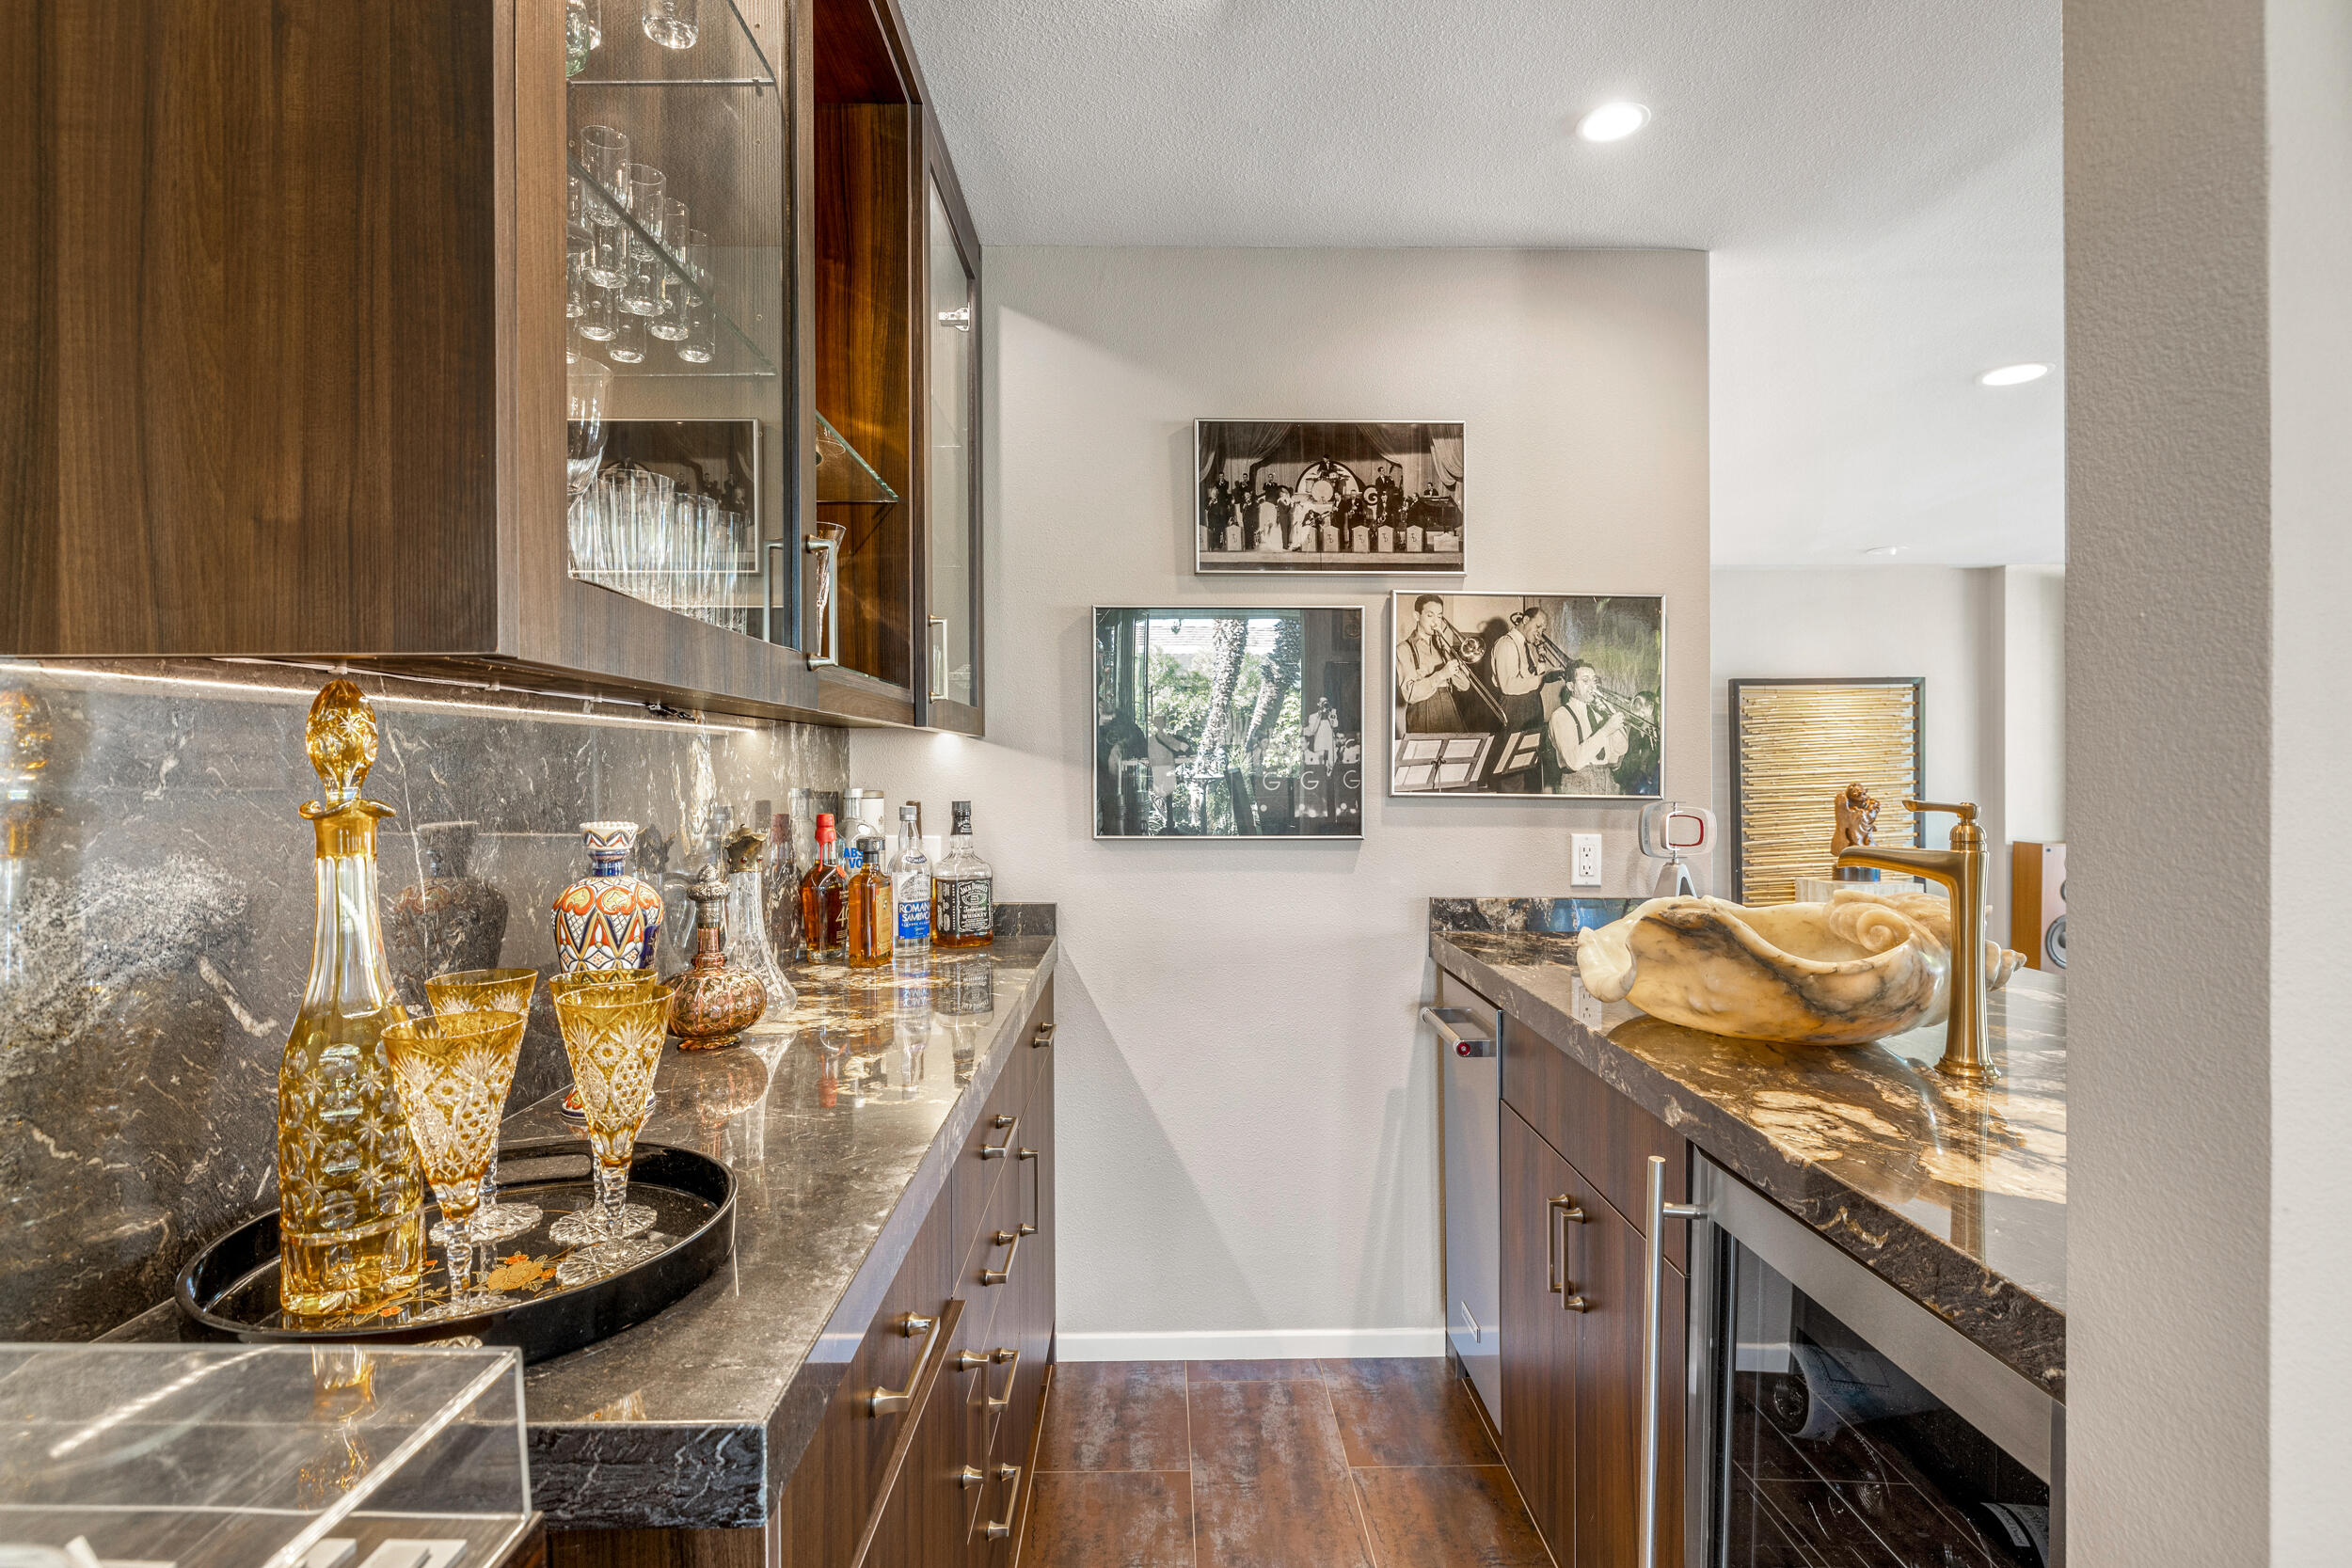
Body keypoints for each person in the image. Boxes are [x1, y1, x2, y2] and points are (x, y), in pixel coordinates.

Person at [1547, 659, 1629, 795]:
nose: (1592, 686)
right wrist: (1605, 731)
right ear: (1571, 686)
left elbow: (1621, 749)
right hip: (1576, 783)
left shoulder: (1600, 712)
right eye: (1585, 681)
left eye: (1594, 680)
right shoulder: (1561, 716)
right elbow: (1574, 761)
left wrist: (1611, 714)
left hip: (1606, 778)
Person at [1397, 594, 1473, 734]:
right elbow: (1409, 694)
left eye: (1439, 616)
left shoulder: (1442, 646)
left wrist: (1447, 650)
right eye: (1430, 615)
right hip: (1422, 711)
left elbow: (1464, 685)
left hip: (1449, 706)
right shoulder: (1404, 648)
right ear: (1417, 616)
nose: (1436, 622)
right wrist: (1441, 675)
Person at [1305, 697, 1341, 764]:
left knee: (1331, 765)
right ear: (1318, 704)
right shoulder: (1313, 716)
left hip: (1330, 746)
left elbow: (1335, 725)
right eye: (1322, 702)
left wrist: (1330, 714)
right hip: (1319, 745)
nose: (1324, 703)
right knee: (1320, 765)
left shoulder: (1331, 714)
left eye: (1326, 701)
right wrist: (1320, 715)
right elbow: (1313, 731)